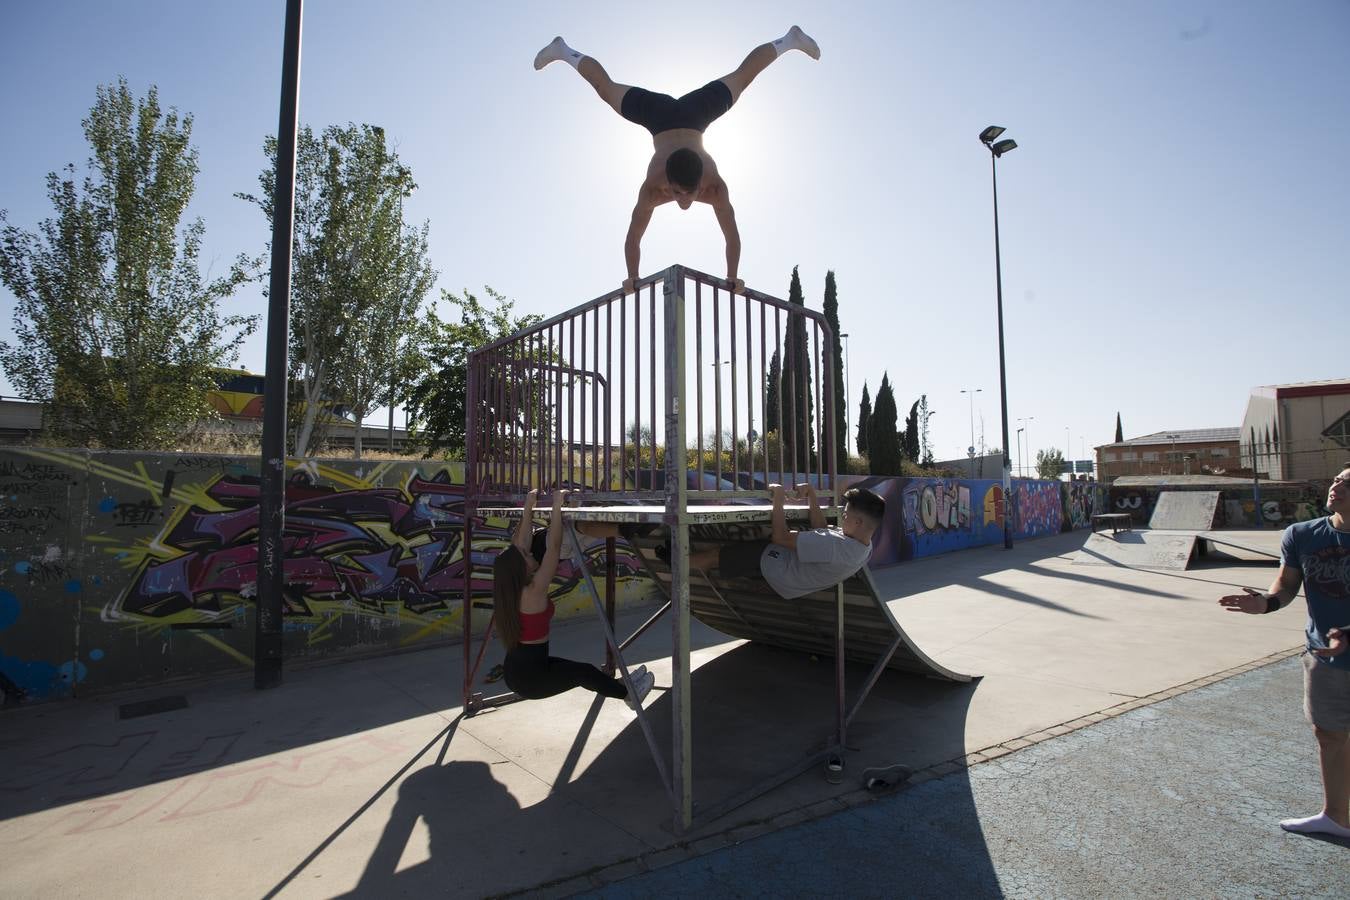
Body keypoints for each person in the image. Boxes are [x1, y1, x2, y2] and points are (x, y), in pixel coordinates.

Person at [534, 27, 821, 294]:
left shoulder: (717, 187)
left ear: (701, 186)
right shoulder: (651, 188)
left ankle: (790, 40)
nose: (682, 199)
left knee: (743, 77)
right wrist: (632, 275)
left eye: (688, 193)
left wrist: (733, 275)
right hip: (660, 116)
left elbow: (732, 234)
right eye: (675, 191)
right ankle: (564, 50)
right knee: (605, 90)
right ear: (666, 182)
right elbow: (633, 236)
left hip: (696, 115)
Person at [1219, 464, 1350, 838]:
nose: (1336, 485)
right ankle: (1336, 817)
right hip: (1324, 655)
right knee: (1330, 734)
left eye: (1347, 482)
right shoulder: (1301, 534)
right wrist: (1267, 603)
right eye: (1336, 478)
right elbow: (1288, 583)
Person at [493, 488, 655, 708]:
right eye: (526, 555)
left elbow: (519, 544)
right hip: (529, 678)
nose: (530, 552)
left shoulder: (512, 591)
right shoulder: (533, 592)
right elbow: (554, 548)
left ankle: (620, 686)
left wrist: (528, 507)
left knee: (584, 672)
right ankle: (628, 695)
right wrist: (558, 508)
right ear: (520, 569)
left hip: (521, 667)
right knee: (584, 673)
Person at [682, 483, 885, 599]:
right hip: (790, 577)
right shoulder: (863, 546)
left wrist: (778, 497)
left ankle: (677, 567)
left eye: (846, 514)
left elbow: (780, 537)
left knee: (717, 555)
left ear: (858, 522)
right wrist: (812, 497)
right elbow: (823, 531)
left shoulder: (834, 547)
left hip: (777, 569)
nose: (842, 517)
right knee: (731, 551)